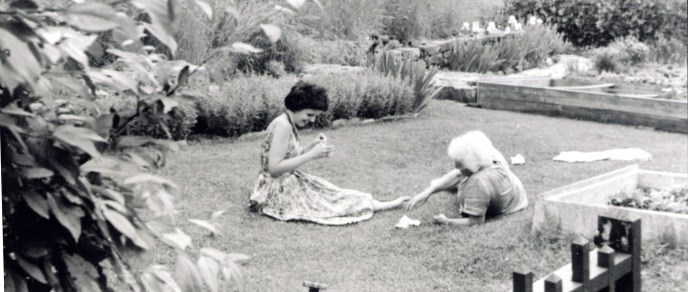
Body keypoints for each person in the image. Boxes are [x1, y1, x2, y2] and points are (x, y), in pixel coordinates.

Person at [249, 81, 410, 225]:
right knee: (329, 201)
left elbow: (288, 158)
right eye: (310, 115)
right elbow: (274, 168)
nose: (312, 120)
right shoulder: (283, 126)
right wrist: (311, 155)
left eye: (315, 116)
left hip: (284, 182)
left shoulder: (286, 122)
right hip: (276, 190)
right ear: (297, 106)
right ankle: (383, 205)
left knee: (330, 192)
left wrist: (312, 146)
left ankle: (380, 203)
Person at [407, 130, 528, 226]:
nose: (455, 166)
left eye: (459, 164)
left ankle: (451, 188)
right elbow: (459, 173)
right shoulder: (490, 153)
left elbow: (475, 221)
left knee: (467, 187)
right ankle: (443, 186)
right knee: (445, 181)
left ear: (472, 163)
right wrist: (429, 191)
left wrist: (446, 221)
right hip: (516, 192)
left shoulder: (478, 182)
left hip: (507, 204)